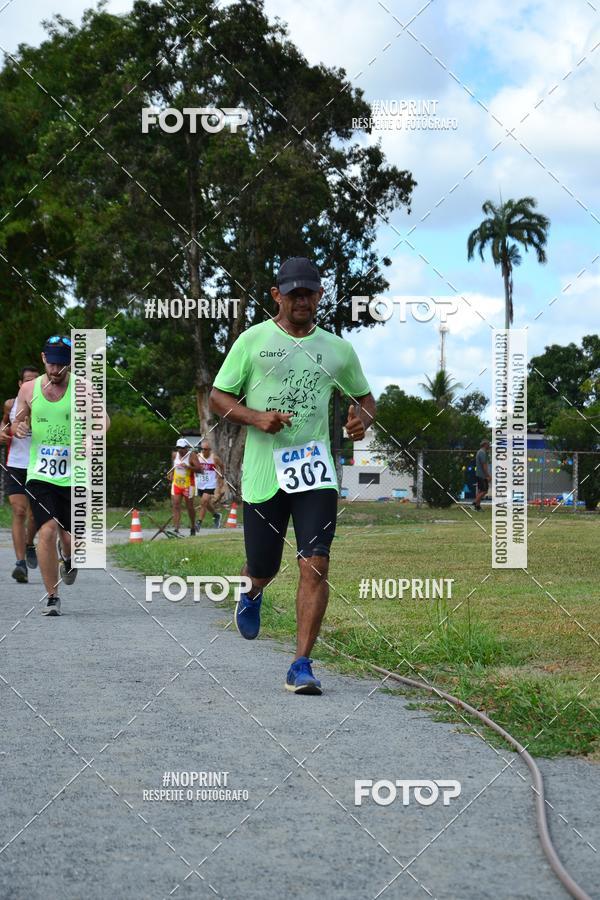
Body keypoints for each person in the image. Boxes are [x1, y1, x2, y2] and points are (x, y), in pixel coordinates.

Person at [210, 256, 376, 695]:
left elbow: (366, 399)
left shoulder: (338, 349)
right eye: (293, 293)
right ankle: (252, 590)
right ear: (276, 295)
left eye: (310, 292)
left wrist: (362, 420)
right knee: (263, 567)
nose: (302, 300)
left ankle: (301, 664)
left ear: (320, 295)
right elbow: (217, 396)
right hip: (264, 473)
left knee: (315, 564)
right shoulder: (252, 341)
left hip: (315, 474)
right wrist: (254, 417)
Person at [13, 336, 110, 615]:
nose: (55, 371)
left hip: (75, 474)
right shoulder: (29, 389)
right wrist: (17, 427)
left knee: (71, 539)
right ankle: (52, 596)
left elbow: (103, 420)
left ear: (69, 364)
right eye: (51, 364)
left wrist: (93, 437)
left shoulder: (83, 388)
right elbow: (16, 420)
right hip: (40, 474)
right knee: (47, 530)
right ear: (44, 358)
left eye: (61, 365)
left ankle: (69, 558)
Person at [1, 365, 39, 582]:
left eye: (35, 380)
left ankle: (28, 543)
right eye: (27, 380)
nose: (31, 384)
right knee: (19, 512)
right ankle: (20, 563)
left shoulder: (46, 402)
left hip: (38, 465)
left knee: (34, 516)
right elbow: (4, 426)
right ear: (20, 384)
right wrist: (2, 434)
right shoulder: (11, 404)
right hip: (16, 463)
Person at [170, 438, 200, 535]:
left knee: (190, 507)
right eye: (178, 447)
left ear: (186, 448)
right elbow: (174, 466)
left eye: (182, 448)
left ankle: (192, 526)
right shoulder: (175, 455)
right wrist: (171, 473)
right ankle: (176, 529)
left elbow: (200, 469)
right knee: (176, 505)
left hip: (188, 485)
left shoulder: (192, 456)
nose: (180, 450)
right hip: (177, 484)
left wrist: (189, 467)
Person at [195, 440, 225, 529]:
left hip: (210, 484)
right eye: (202, 449)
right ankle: (216, 515)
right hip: (200, 484)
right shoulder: (198, 457)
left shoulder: (214, 458)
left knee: (203, 501)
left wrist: (221, 477)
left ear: (209, 450)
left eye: (205, 449)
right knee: (206, 504)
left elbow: (222, 466)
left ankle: (198, 523)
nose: (203, 451)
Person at [473, 439, 491, 510]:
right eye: (488, 444)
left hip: (479, 474)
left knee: (481, 490)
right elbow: (484, 465)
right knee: (484, 490)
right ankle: (475, 502)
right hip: (482, 475)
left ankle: (477, 506)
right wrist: (488, 475)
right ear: (485, 444)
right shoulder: (482, 453)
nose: (489, 446)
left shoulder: (480, 452)